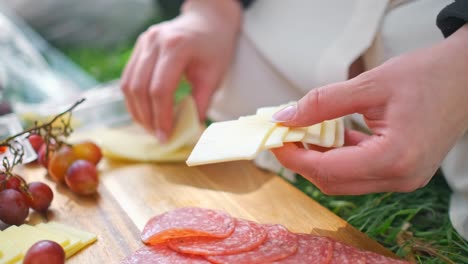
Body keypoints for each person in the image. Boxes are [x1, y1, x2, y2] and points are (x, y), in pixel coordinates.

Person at [121, 0, 468, 239]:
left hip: (439, 29)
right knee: (234, 82)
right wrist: (210, 11)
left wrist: (458, 71)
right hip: (290, 20)